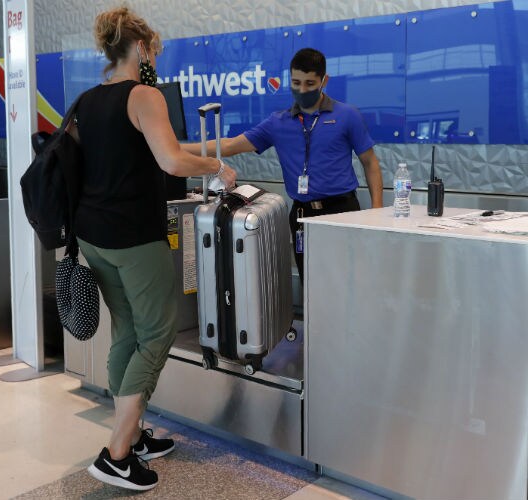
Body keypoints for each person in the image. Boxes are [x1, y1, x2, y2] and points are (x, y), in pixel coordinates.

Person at [70, 6, 236, 492]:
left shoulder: (86, 99)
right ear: (141, 48)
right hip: (132, 236)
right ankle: (117, 454)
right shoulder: (144, 95)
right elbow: (170, 159)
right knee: (159, 334)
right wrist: (216, 168)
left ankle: (134, 436)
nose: (155, 59)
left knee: (127, 333)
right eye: (154, 51)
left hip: (92, 235)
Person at [183, 48, 383, 282]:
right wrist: (175, 149)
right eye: (296, 83)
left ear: (324, 81)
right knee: (310, 282)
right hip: (301, 214)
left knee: (348, 282)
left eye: (310, 83)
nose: (302, 90)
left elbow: (370, 163)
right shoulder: (278, 123)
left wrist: (376, 213)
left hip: (342, 211)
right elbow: (228, 146)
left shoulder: (347, 115)